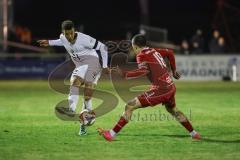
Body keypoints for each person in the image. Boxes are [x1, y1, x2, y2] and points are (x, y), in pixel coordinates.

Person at [98, 34, 201, 141]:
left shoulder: (141, 55)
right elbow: (170, 52)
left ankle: (111, 134)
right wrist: (173, 71)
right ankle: (194, 133)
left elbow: (144, 71)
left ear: (135, 46)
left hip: (160, 89)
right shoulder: (153, 50)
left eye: (133, 47)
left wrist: (124, 74)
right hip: (170, 86)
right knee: (173, 110)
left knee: (129, 106)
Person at [38, 20, 110, 135]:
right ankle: (71, 109)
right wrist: (49, 42)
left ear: (74, 31)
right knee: (75, 82)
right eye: (67, 34)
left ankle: (83, 125)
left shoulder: (84, 39)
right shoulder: (63, 37)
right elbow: (61, 41)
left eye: (71, 33)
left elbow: (104, 47)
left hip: (93, 64)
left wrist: (105, 66)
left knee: (87, 96)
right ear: (63, 33)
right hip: (81, 66)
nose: (69, 36)